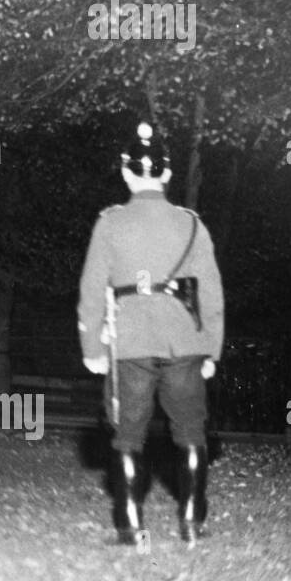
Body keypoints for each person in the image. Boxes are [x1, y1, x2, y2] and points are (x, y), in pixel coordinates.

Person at [78, 122, 225, 549]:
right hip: (183, 341)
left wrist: (93, 347)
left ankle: (129, 526)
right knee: (191, 433)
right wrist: (210, 347)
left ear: (126, 171)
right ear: (167, 173)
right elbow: (211, 294)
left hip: (130, 342)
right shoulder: (192, 225)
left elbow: (91, 290)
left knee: (127, 436)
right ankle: (193, 520)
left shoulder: (110, 223)